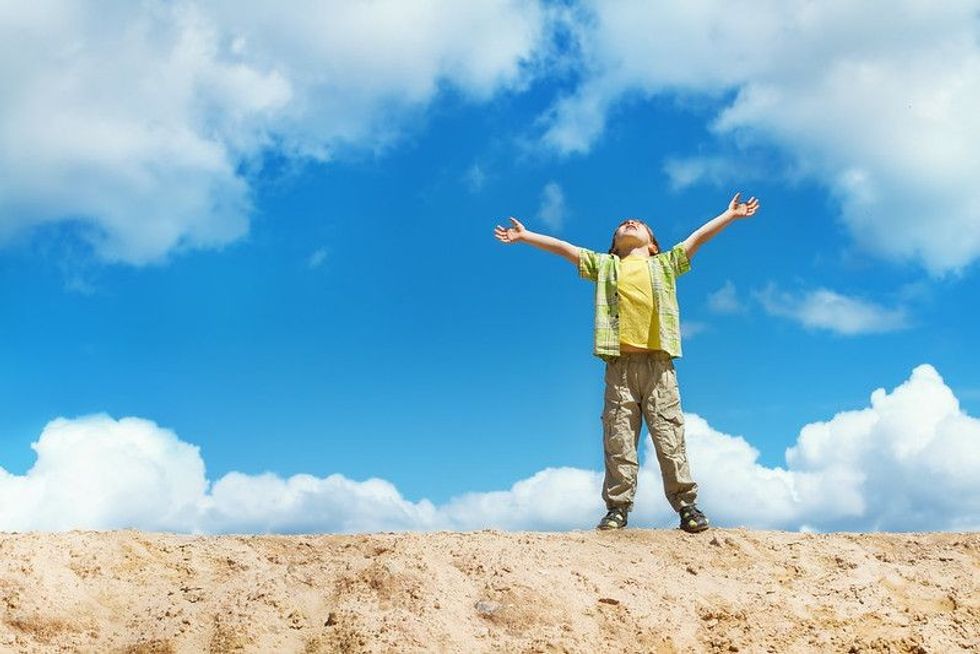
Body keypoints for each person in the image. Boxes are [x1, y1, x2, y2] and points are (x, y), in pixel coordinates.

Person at [493, 193, 760, 533]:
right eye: (622, 226)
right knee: (618, 440)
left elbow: (697, 238)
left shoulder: (665, 265)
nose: (629, 223)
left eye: (638, 225)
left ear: (652, 246)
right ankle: (618, 509)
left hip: (659, 367)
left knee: (669, 437)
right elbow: (564, 247)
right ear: (614, 247)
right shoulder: (606, 267)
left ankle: (686, 506)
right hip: (619, 369)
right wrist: (526, 236)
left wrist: (729, 215)